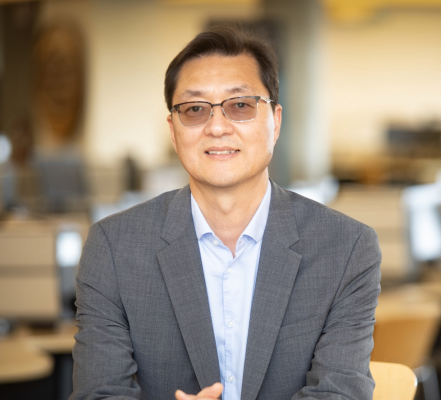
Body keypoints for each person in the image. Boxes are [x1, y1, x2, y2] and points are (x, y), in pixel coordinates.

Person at [71, 25, 381, 400]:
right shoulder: (113, 248)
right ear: (173, 130)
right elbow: (98, 394)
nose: (217, 127)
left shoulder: (346, 248)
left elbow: (340, 394)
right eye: (195, 109)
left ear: (276, 121)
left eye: (240, 106)